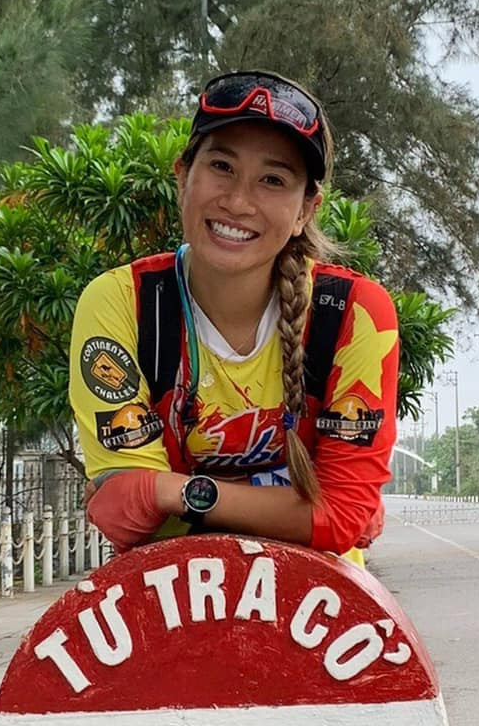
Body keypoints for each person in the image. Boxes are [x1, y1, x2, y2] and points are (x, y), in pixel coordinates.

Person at [69, 70, 398, 561]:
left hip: (317, 611)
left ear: (306, 210)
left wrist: (173, 492)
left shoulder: (354, 314)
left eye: (273, 179)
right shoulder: (124, 303)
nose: (239, 201)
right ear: (183, 175)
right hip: (168, 603)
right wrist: (304, 510)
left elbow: (343, 516)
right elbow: (124, 513)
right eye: (222, 166)